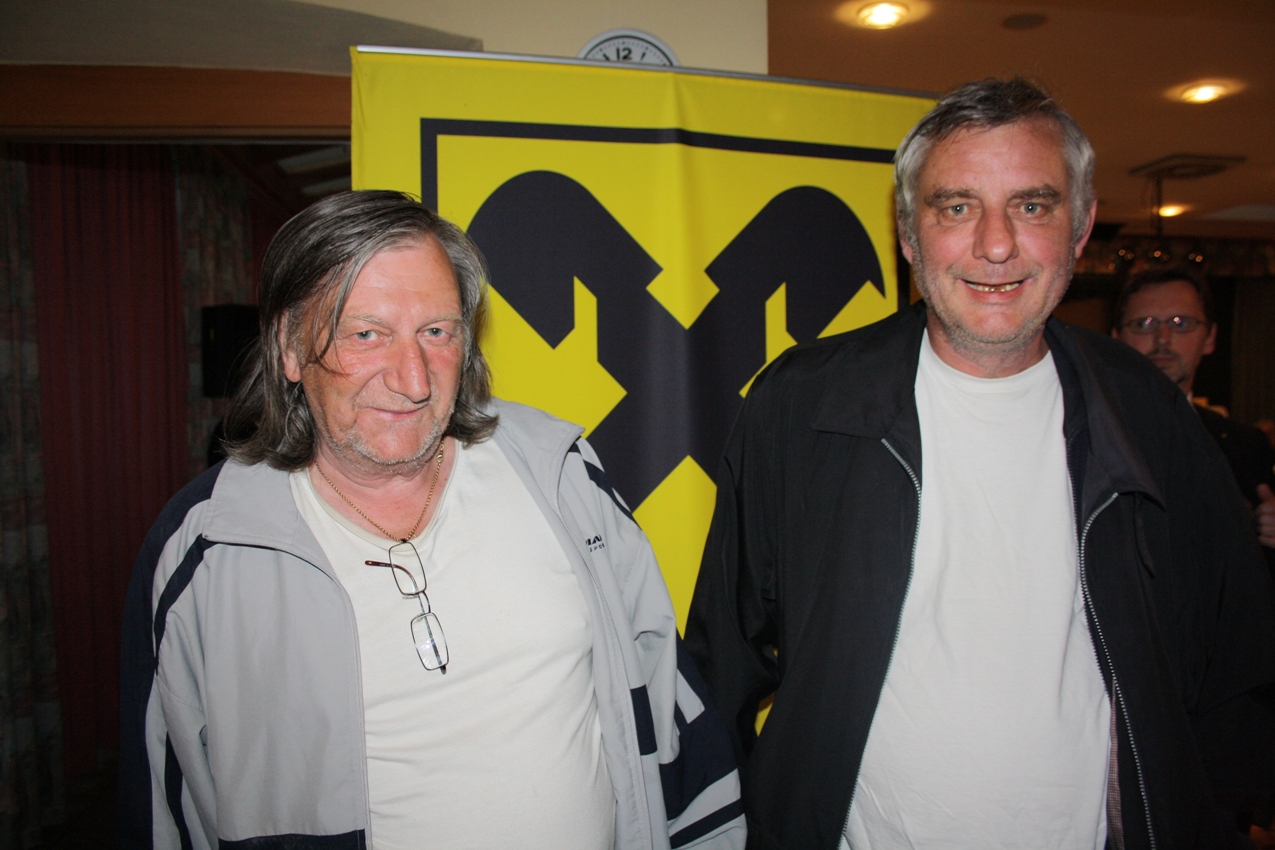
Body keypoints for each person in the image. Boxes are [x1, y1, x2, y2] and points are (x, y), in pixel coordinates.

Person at [685, 77, 1275, 850]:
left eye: (1031, 206)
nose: (995, 245)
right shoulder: (801, 407)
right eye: (956, 207)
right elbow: (725, 663)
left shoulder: (1149, 414)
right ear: (907, 234)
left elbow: (1232, 665)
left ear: (1081, 226)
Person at [119, 191, 745, 850]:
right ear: (289, 348)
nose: (413, 379)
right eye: (366, 334)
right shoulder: (209, 550)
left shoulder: (561, 477)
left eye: (436, 332)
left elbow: (666, 698)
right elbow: (164, 806)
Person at [1112, 265, 1275, 550]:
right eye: (1144, 324)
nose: (1163, 338)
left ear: (1210, 338)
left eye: (1181, 323)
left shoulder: (1246, 447)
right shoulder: (1084, 435)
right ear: (1116, 339)